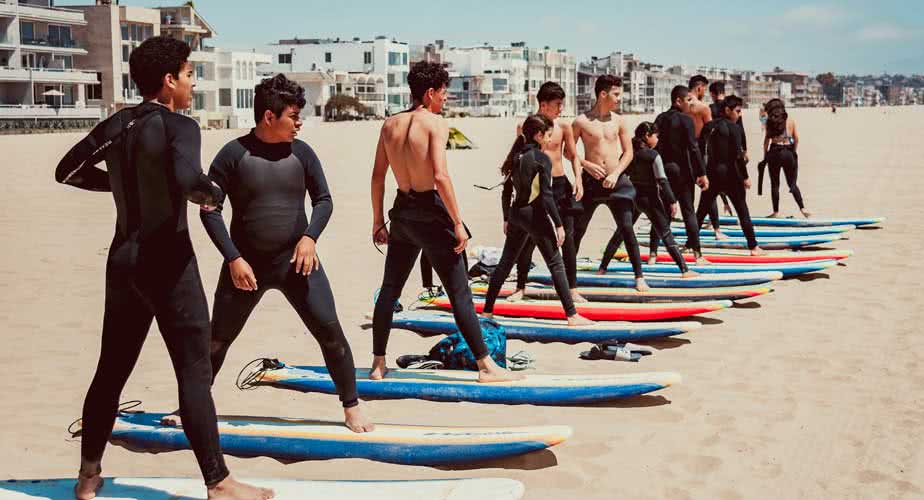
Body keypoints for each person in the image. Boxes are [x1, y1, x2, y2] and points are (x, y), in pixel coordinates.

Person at [55, 36, 272, 500]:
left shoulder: (116, 124)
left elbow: (68, 171)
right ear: (169, 80)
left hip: (123, 262)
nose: (194, 84)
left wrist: (122, 184)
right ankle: (218, 482)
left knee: (111, 369)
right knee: (193, 370)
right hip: (168, 261)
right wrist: (214, 194)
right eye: (190, 75)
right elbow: (188, 180)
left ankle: (88, 477)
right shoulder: (180, 126)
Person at [165, 74, 372, 434]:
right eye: (294, 116)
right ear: (269, 117)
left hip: (298, 264)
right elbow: (210, 210)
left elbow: (323, 201)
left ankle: (351, 406)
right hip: (246, 267)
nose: (299, 123)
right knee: (217, 340)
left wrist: (310, 238)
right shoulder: (233, 155)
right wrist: (233, 258)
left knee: (330, 333)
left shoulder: (302, 153)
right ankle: (189, 408)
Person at [370, 61, 521, 383]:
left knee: (389, 290)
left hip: (402, 213)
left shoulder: (389, 124)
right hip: (431, 213)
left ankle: (378, 364)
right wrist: (457, 222)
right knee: (459, 293)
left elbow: (378, 177)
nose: (446, 98)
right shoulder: (435, 123)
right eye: (443, 92)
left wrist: (377, 221)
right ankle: (486, 367)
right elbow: (440, 176)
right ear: (430, 92)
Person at [482, 114, 593, 324]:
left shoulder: (515, 156)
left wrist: (506, 217)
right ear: (539, 135)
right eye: (548, 135)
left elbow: (506, 192)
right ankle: (572, 315)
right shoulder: (542, 159)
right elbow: (547, 196)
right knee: (555, 263)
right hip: (534, 215)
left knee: (505, 264)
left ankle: (487, 312)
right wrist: (558, 224)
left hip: (516, 214)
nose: (550, 139)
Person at [507, 82, 586, 303]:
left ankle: (572, 288)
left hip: (560, 185)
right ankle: (520, 287)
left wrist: (578, 179)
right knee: (529, 239)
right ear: (544, 105)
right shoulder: (525, 126)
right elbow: (518, 155)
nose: (561, 109)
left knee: (568, 238)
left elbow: (573, 155)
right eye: (557, 104)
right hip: (536, 187)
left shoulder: (564, 127)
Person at [572, 75, 650, 291]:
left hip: (616, 182)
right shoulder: (581, 122)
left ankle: (639, 277)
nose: (619, 98)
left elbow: (629, 152)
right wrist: (586, 164)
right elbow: (569, 152)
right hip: (590, 183)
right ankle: (568, 278)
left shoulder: (619, 121)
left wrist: (615, 174)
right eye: (616, 94)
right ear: (603, 94)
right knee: (578, 230)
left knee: (627, 228)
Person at [597, 122, 699, 276]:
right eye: (656, 136)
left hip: (631, 196)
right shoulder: (653, 155)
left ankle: (602, 268)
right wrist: (672, 201)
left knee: (621, 233)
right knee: (665, 234)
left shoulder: (627, 154)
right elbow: (662, 180)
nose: (657, 139)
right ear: (647, 135)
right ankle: (684, 270)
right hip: (650, 199)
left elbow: (622, 174)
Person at [695, 96, 764, 255]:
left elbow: (699, 151)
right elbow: (738, 156)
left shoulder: (709, 126)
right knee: (742, 210)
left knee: (701, 211)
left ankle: (690, 244)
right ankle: (753, 247)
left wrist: (701, 173)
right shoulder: (735, 128)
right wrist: (745, 177)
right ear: (727, 110)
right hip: (731, 174)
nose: (739, 114)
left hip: (712, 174)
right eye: (738, 111)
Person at [651, 85, 710, 263]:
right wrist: (702, 173)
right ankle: (697, 254)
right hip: (683, 172)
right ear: (678, 101)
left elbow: (655, 147)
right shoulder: (686, 120)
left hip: (663, 171)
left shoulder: (660, 119)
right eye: (688, 100)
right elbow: (693, 148)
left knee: (662, 212)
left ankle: (653, 254)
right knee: (688, 211)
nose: (690, 104)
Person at [762, 99, 811, 217]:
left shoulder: (769, 121)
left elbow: (766, 141)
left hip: (774, 152)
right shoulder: (790, 120)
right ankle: (803, 208)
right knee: (792, 183)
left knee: (775, 184)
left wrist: (765, 156)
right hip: (788, 151)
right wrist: (793, 151)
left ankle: (776, 212)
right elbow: (796, 138)